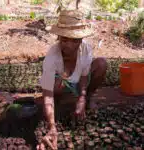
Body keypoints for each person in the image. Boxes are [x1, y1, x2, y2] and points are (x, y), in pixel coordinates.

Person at [37, 9, 107, 150]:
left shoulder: (86, 49)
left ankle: (87, 99)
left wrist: (83, 97)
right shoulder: (52, 57)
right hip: (61, 85)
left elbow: (84, 75)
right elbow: (48, 95)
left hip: (77, 84)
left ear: (80, 40)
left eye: (74, 41)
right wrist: (52, 127)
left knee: (101, 64)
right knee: (54, 87)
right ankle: (64, 102)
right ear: (58, 38)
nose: (68, 45)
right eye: (64, 39)